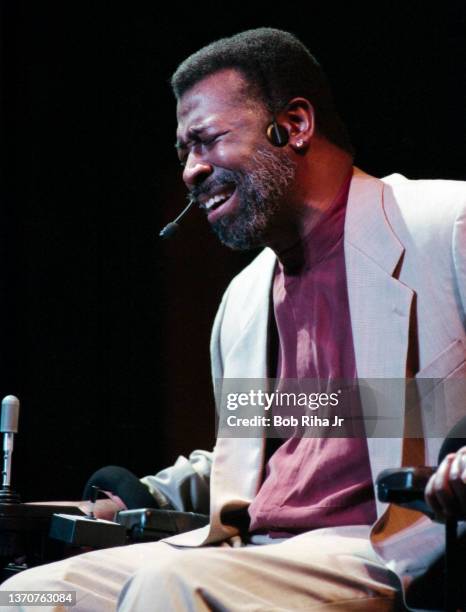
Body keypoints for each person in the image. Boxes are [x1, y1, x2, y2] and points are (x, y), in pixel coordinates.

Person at [2, 27, 466, 611]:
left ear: (294, 126)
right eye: (183, 153)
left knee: (166, 588)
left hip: (383, 545)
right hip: (257, 549)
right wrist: (139, 494)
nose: (191, 171)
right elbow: (283, 440)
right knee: (29, 595)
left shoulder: (447, 225)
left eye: (208, 141)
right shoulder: (245, 300)